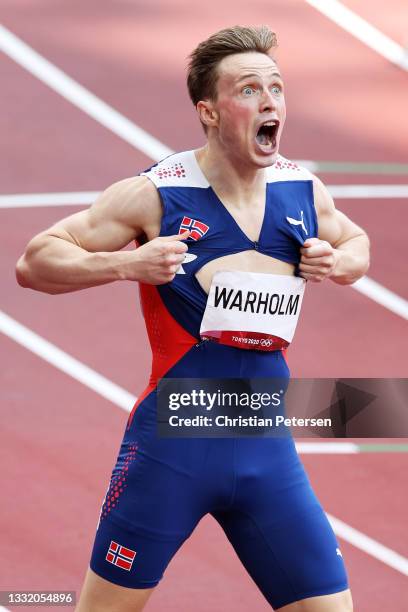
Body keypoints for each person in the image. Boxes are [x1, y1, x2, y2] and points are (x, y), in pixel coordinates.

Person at [16, 25, 369, 612]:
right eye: (249, 90)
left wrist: (338, 259)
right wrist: (125, 265)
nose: (269, 102)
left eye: (276, 89)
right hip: (172, 447)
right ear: (208, 111)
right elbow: (35, 262)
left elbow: (356, 243)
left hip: (266, 445)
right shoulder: (157, 195)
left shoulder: (302, 189)